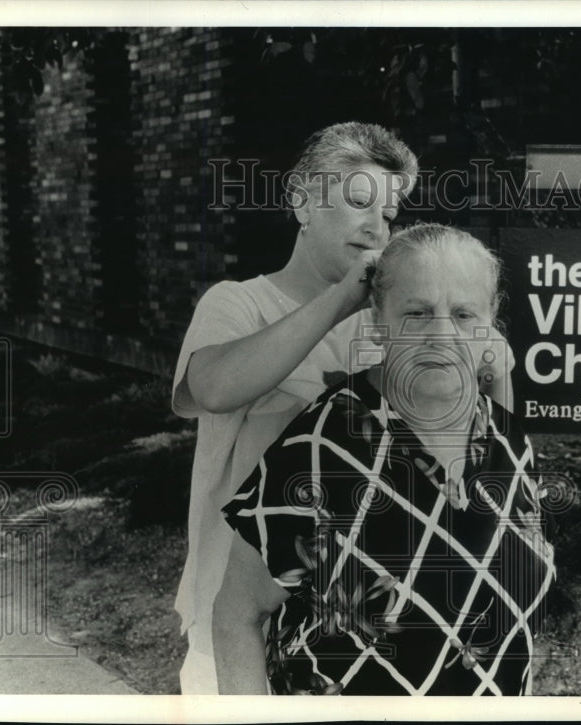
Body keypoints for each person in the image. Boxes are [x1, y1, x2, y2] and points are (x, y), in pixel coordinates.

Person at [215, 223, 555, 695]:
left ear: (490, 320)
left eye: (463, 313)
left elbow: (517, 624)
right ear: (378, 320)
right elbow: (237, 617)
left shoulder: (508, 440)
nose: (442, 335)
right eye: (417, 312)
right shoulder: (320, 449)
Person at [171, 122, 419, 694]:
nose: (377, 225)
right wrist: (341, 298)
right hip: (236, 619)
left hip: (351, 619)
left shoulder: (386, 329)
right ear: (302, 201)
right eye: (360, 201)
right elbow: (210, 389)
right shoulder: (237, 302)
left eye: (389, 214)